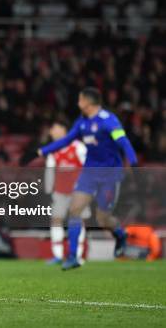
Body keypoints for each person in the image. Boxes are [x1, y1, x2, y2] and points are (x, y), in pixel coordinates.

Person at [36, 87, 138, 270]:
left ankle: (120, 235)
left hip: (109, 175)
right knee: (75, 210)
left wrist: (134, 163)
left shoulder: (109, 121)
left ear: (88, 103)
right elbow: (67, 140)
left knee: (103, 219)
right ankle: (73, 256)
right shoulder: (82, 122)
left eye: (80, 100)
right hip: (89, 173)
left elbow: (123, 142)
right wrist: (44, 151)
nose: (78, 103)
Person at [43, 119, 90, 265]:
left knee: (78, 221)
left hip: (78, 192)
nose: (53, 132)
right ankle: (57, 256)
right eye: (52, 129)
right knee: (56, 220)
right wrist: (49, 189)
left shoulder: (78, 147)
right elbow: (50, 172)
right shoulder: (52, 150)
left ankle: (77, 255)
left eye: (55, 128)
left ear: (64, 130)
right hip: (60, 192)